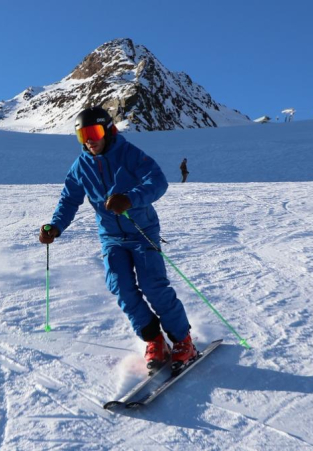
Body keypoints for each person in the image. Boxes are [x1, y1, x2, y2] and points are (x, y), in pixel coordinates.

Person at [38, 106, 196, 372]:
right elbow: (69, 200)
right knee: (120, 287)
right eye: (82, 135)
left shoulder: (129, 154)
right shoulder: (80, 166)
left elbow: (158, 181)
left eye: (94, 132)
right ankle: (154, 339)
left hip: (141, 231)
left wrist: (130, 198)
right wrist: (55, 226)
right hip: (111, 236)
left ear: (108, 130)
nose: (89, 140)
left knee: (153, 285)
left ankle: (183, 339)